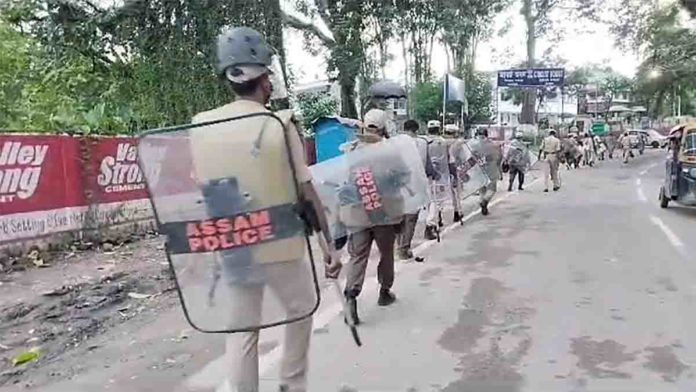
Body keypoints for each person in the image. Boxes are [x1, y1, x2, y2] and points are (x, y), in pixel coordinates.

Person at [192, 27, 341, 392]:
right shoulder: (279, 123)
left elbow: (202, 188)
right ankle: (292, 384)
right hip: (280, 245)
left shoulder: (200, 125)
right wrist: (328, 246)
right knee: (302, 306)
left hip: (234, 245)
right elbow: (306, 191)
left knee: (242, 331)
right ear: (263, 77)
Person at [343, 109, 401, 325]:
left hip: (358, 212)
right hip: (383, 212)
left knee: (358, 256)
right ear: (384, 127)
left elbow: (346, 180)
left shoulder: (352, 150)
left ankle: (350, 296)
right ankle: (384, 292)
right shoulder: (390, 151)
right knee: (386, 254)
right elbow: (402, 177)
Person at [396, 119, 433, 262]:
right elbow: (428, 166)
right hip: (416, 184)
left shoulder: (394, 143)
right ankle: (404, 248)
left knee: (399, 217)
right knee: (411, 218)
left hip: (398, 185)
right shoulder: (422, 143)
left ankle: (399, 245)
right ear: (416, 130)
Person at [423, 120, 449, 239]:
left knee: (429, 201)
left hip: (425, 175)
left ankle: (434, 219)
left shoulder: (423, 142)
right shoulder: (443, 142)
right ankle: (431, 224)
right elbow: (450, 159)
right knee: (437, 200)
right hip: (440, 176)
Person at [470, 128, 502, 215]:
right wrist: (499, 168)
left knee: (481, 189)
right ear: (486, 134)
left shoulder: (472, 145)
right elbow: (499, 157)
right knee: (492, 189)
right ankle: (485, 201)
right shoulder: (493, 145)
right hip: (491, 169)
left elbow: (469, 158)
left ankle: (483, 203)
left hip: (478, 170)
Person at [444, 124, 463, 222]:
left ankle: (438, 217)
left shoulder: (441, 142)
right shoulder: (458, 142)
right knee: (456, 192)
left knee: (439, 195)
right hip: (454, 168)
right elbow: (462, 156)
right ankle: (457, 212)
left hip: (442, 170)